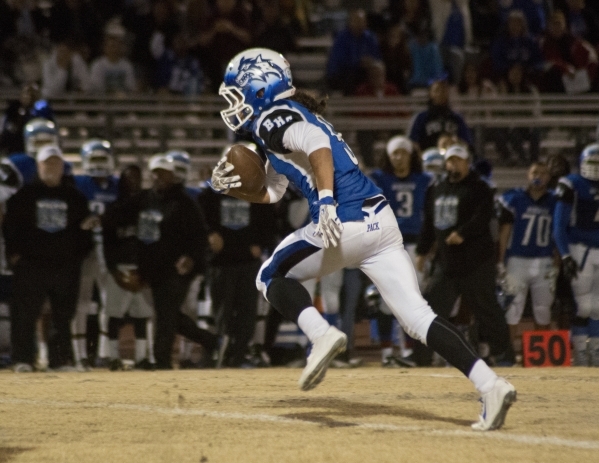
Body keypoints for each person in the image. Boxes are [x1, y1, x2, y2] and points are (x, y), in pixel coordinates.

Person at [212, 47, 516, 430]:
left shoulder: (274, 118)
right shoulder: (287, 123)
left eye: (238, 91)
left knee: (268, 276)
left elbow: (315, 145)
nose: (234, 103)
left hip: (345, 220)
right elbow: (272, 191)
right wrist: (235, 189)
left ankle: (321, 334)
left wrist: (324, 203)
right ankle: (491, 385)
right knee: (418, 317)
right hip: (380, 223)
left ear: (260, 86)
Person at [106, 155, 218, 369]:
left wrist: (191, 258)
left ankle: (162, 360)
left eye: (164, 173)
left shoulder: (185, 203)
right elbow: (116, 217)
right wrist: (100, 220)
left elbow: (199, 236)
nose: (159, 177)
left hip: (176, 269)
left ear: (173, 176)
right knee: (169, 315)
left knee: (166, 314)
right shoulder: (143, 198)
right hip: (151, 269)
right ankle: (210, 341)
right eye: (156, 173)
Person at [415, 144, 514, 367]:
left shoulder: (480, 188)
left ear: (467, 163)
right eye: (450, 160)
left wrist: (463, 233)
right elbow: (429, 225)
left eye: (458, 160)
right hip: (447, 264)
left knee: (488, 311)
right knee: (428, 310)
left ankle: (505, 355)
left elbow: (483, 216)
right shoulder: (436, 188)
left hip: (476, 263)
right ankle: (420, 358)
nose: (453, 164)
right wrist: (422, 252)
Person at [3, 145, 92, 372]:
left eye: (56, 163)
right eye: (47, 163)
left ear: (62, 167)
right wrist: (15, 256)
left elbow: (85, 230)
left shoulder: (76, 198)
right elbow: (11, 227)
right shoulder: (23, 196)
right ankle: (23, 359)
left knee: (63, 316)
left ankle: (60, 359)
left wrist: (78, 257)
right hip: (31, 265)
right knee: (24, 314)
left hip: (65, 266)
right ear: (38, 166)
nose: (51, 168)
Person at [199, 144, 276, 368]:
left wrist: (261, 245)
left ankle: (239, 356)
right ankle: (221, 352)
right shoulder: (212, 191)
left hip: (247, 261)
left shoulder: (259, 189)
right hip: (222, 262)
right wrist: (210, 233)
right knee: (222, 312)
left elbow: (268, 223)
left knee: (246, 312)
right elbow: (199, 218)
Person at [369, 135, 433, 366]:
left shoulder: (424, 180)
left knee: (412, 299)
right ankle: (387, 352)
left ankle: (408, 351)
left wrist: (428, 249)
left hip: (415, 244)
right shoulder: (379, 179)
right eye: (394, 153)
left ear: (410, 155)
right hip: (388, 244)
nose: (398, 157)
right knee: (385, 300)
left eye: (402, 152)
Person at [496, 162, 558, 353]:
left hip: (545, 261)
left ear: (548, 177)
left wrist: (558, 260)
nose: (537, 176)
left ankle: (542, 355)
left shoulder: (556, 200)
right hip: (517, 261)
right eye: (534, 172)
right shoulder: (515, 198)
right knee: (512, 309)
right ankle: (508, 353)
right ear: (527, 175)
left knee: (543, 310)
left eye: (542, 172)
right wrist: (500, 260)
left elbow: (560, 231)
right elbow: (505, 232)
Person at [71, 139, 119, 370]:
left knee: (109, 303)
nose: (99, 164)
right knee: (81, 302)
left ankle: (104, 352)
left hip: (109, 251)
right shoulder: (78, 183)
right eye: (95, 159)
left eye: (102, 158)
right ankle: (80, 355)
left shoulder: (117, 185)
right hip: (84, 250)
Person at [102, 164, 154, 371]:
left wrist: (148, 270)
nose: (132, 181)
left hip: (143, 266)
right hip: (121, 266)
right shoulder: (114, 209)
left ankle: (141, 357)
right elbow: (107, 243)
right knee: (114, 315)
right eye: (128, 177)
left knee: (142, 316)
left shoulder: (150, 208)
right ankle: (113, 357)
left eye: (136, 177)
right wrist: (114, 270)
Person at [553, 143, 599, 366]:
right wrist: (565, 255)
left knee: (598, 307)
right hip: (580, 249)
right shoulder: (573, 184)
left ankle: (596, 351)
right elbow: (558, 224)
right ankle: (581, 352)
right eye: (592, 162)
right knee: (584, 306)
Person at [407, 77, 473, 152]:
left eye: (444, 90)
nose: (441, 93)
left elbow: (466, 143)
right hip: (428, 160)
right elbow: (413, 142)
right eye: (437, 90)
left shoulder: (456, 118)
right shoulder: (421, 118)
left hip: (452, 159)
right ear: (430, 93)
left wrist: (455, 142)